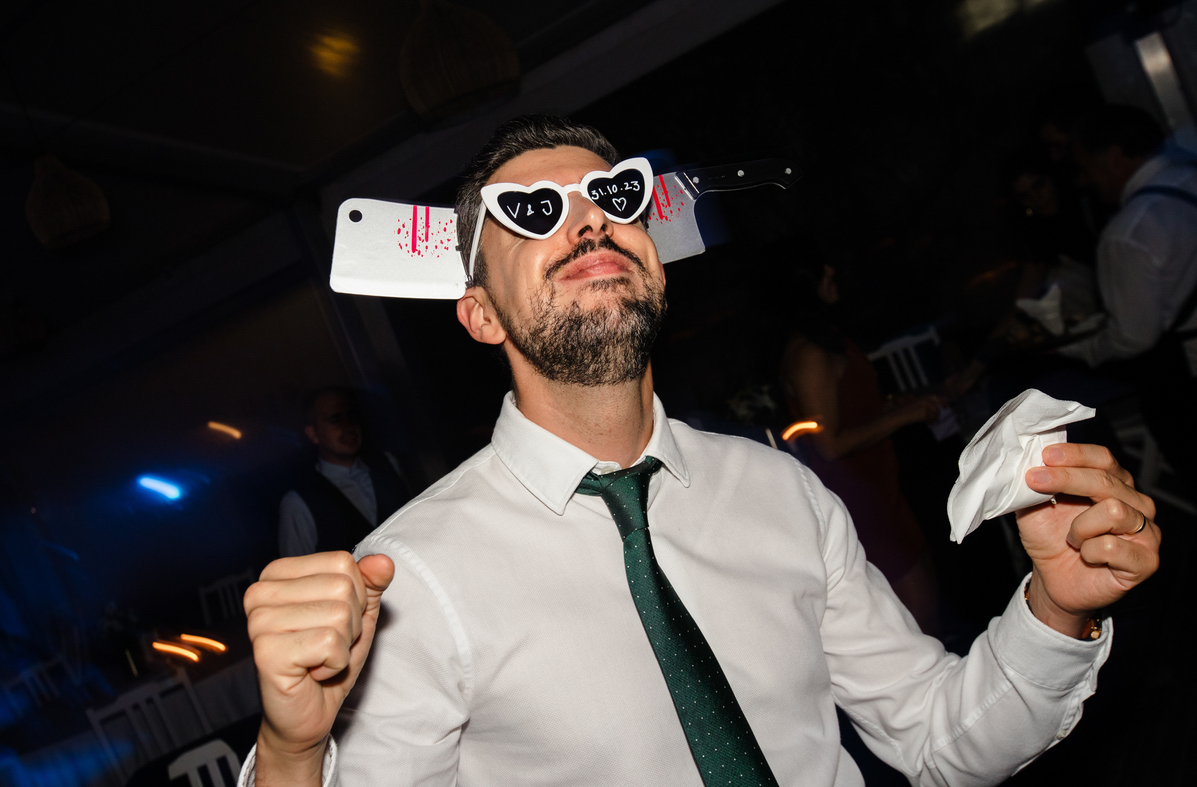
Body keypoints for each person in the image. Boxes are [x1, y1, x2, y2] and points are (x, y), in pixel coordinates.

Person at [243, 115, 1159, 787]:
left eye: (615, 196)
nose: (587, 222)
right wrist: (290, 755)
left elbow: (936, 737)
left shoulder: (783, 493)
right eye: (530, 212)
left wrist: (1055, 610)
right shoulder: (406, 579)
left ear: (656, 265)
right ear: (481, 315)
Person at [779, 262, 941, 632]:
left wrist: (890, 406)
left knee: (925, 601)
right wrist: (905, 416)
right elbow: (829, 444)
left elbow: (849, 409)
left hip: (881, 486)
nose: (833, 271)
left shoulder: (829, 340)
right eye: (822, 269)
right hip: (859, 498)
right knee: (918, 617)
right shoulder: (809, 354)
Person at [1058, 104, 1197, 487]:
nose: (1085, 181)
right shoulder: (1190, 178)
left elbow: (1133, 336)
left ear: (1115, 158)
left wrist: (1078, 348)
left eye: (1086, 167)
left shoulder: (1128, 233)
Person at [278, 386, 412, 557]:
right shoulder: (298, 503)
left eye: (352, 416)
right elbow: (295, 568)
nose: (348, 426)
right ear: (313, 434)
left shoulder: (388, 464)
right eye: (335, 419)